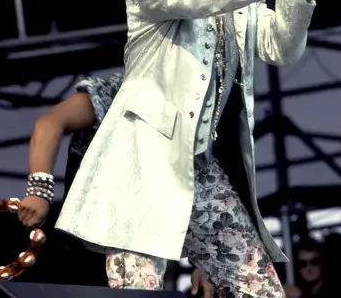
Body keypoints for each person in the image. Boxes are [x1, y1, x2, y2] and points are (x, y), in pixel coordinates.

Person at [55, 0, 315, 297]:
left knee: (260, 290)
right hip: (145, 163)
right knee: (138, 290)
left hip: (202, 169)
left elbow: (281, 47)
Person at [17, 74, 212, 297]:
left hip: (138, 246)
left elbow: (194, 194)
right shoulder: (124, 92)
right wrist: (38, 191)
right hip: (79, 241)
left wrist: (204, 261)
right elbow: (50, 123)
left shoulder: (198, 118)